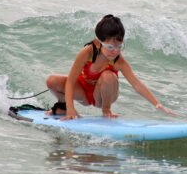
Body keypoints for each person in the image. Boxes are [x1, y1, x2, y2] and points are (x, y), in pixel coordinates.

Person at [45, 14, 176, 120]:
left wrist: (157, 104)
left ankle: (106, 110)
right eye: (110, 47)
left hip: (102, 97)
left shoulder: (118, 61)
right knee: (51, 81)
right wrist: (71, 109)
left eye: (119, 47)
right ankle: (63, 107)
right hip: (83, 93)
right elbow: (71, 82)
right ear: (98, 43)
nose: (115, 51)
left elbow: (136, 84)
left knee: (108, 76)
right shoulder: (87, 53)